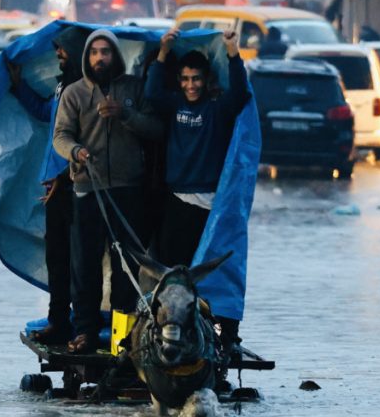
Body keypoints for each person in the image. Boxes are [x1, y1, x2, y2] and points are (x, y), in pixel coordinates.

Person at [53, 30, 162, 353]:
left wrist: (125, 114)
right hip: (89, 189)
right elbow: (60, 136)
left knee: (126, 267)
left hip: (128, 190)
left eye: (106, 52)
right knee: (85, 265)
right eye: (94, 53)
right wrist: (76, 152)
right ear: (87, 58)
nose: (100, 58)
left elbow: (156, 128)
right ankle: (84, 331)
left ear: (115, 55)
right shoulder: (74, 93)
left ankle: (122, 338)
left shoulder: (133, 89)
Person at [145, 28, 251, 354]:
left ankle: (225, 336)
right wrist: (163, 52)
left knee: (210, 273)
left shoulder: (217, 108)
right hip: (177, 200)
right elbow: (150, 94)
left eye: (196, 79)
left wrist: (233, 52)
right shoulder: (173, 104)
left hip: (209, 206)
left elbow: (241, 95)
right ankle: (167, 332)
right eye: (185, 79)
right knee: (173, 273)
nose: (191, 85)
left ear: (206, 80)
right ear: (179, 80)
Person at [7, 28, 87, 345]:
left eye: (63, 49)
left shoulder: (84, 91)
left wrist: (64, 178)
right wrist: (18, 87)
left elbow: (86, 140)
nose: (58, 54)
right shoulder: (62, 86)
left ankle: (78, 325)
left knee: (75, 258)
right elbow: (45, 113)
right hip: (56, 184)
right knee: (57, 256)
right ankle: (60, 321)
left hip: (74, 185)